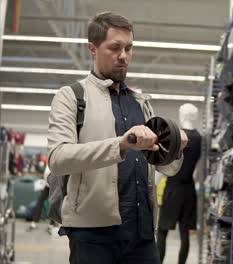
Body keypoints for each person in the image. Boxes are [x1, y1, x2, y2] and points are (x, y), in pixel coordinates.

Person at [47, 11, 188, 264]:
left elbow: (160, 165)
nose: (124, 56)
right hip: (92, 236)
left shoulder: (141, 104)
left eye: (129, 48)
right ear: (93, 48)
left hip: (142, 236)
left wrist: (175, 147)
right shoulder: (72, 97)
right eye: (115, 48)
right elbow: (58, 159)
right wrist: (120, 144)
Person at [158, 103, 202, 264]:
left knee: (162, 231)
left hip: (173, 187)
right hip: (189, 189)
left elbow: (164, 163)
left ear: (183, 115)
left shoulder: (175, 135)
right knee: (185, 232)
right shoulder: (199, 138)